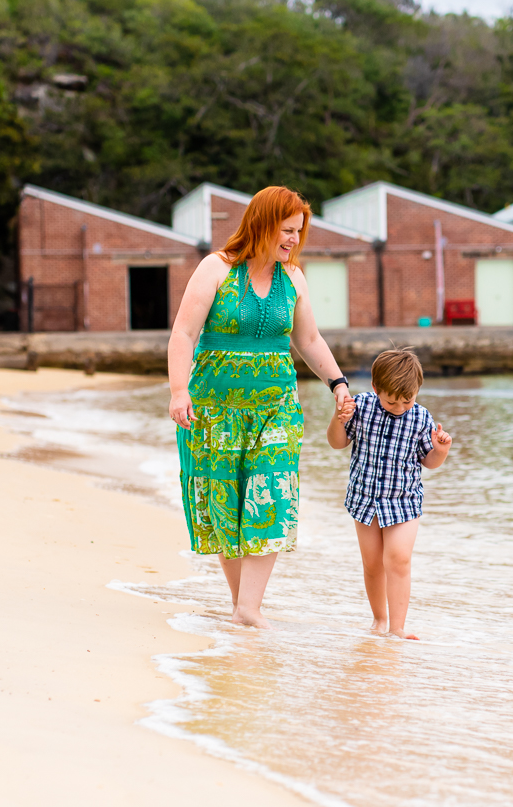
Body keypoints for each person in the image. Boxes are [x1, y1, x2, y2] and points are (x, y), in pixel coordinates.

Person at [168, 186, 354, 629]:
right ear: (264, 223)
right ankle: (243, 608)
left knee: (272, 496)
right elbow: (183, 334)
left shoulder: (293, 278)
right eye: (287, 230)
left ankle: (249, 608)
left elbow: (307, 340)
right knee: (224, 508)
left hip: (276, 409)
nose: (293, 239)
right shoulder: (216, 268)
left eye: (299, 232)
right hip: (212, 412)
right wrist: (179, 391)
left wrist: (338, 384)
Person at [326, 348, 452, 640]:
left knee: (398, 559)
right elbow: (337, 443)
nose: (399, 407)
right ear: (375, 388)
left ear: (417, 391)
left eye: (407, 401)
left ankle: (398, 628)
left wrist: (441, 450)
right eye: (391, 401)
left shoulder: (420, 418)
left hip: (403, 501)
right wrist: (338, 419)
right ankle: (379, 620)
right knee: (372, 564)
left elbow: (429, 462)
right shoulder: (361, 406)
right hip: (365, 497)